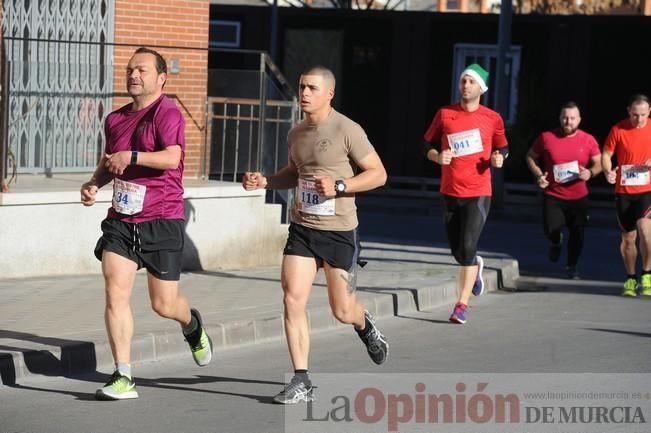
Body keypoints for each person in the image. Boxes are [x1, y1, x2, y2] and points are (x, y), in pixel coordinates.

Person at [242, 65, 388, 405]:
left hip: (339, 232)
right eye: (301, 87)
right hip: (303, 228)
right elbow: (294, 174)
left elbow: (379, 174)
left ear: (329, 94)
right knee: (292, 299)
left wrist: (340, 186)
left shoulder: (347, 129)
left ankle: (364, 324)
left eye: (311, 88)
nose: (304, 93)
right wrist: (266, 181)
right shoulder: (296, 133)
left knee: (342, 310)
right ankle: (302, 379)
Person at [80, 47, 213, 400]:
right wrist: (95, 183)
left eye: (141, 69)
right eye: (129, 70)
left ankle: (192, 324)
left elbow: (173, 157)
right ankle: (123, 374)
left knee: (163, 305)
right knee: (114, 291)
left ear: (161, 78)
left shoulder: (167, 112)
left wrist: (133, 156)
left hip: (162, 219)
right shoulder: (114, 119)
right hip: (121, 222)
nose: (133, 75)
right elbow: (112, 163)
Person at [422, 63, 508, 324]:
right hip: (449, 191)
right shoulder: (445, 114)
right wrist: (438, 156)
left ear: (481, 88)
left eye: (471, 81)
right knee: (459, 252)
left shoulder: (492, 118)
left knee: (469, 245)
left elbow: (503, 147)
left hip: (479, 191)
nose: (465, 85)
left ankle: (461, 304)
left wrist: (499, 158)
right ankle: (475, 266)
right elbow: (426, 143)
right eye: (463, 81)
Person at [526, 102, 602, 279]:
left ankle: (572, 266)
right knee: (551, 230)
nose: (568, 121)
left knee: (578, 233)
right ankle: (555, 241)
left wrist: (590, 173)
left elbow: (598, 163)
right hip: (553, 194)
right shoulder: (547, 137)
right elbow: (530, 156)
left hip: (578, 196)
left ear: (579, 120)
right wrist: (539, 175)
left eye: (572, 118)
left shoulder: (588, 140)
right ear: (560, 118)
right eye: (565, 117)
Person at [602, 94, 651, 297]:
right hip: (623, 191)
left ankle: (647, 273)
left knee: (645, 228)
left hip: (647, 189)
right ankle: (630, 278)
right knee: (628, 238)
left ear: (649, 112)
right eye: (634, 115)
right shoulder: (618, 129)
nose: (638, 120)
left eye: (642, 115)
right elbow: (606, 154)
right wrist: (607, 171)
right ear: (628, 111)